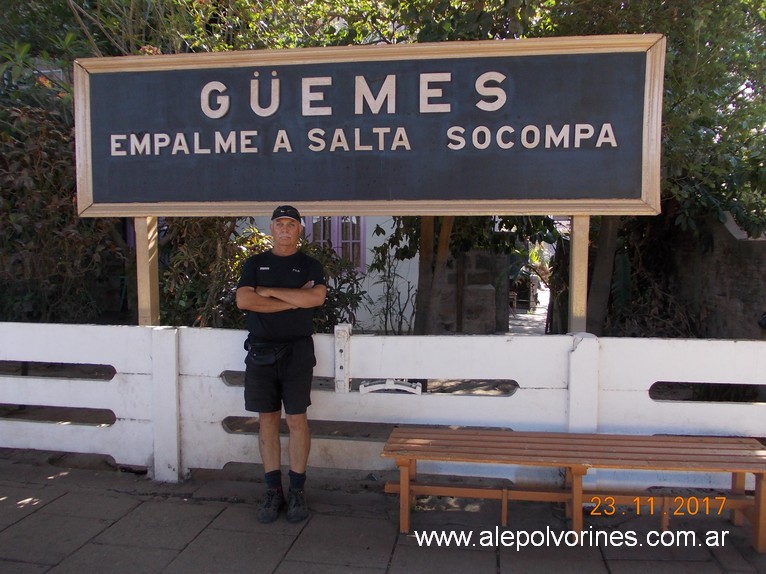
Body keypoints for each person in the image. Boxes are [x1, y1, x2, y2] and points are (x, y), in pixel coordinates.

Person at [236, 205, 327, 524]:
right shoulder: (255, 263)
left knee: (298, 421)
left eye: (291, 224)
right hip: (261, 351)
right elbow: (245, 301)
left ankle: (298, 489)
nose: (285, 229)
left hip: (298, 353)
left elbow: (315, 299)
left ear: (299, 229)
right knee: (268, 421)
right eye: (279, 223)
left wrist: (270, 293)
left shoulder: (310, 264)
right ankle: (273, 490)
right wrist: (292, 301)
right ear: (271, 228)